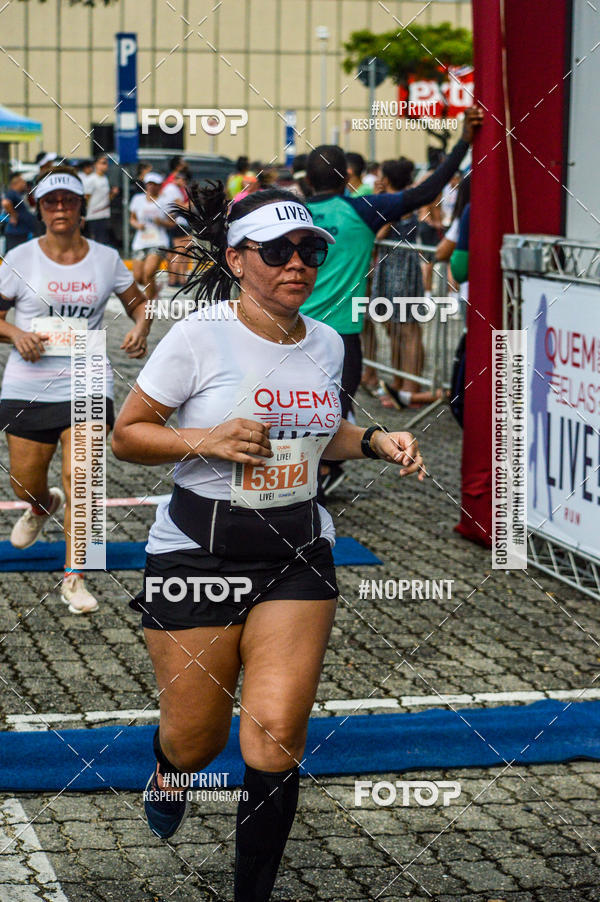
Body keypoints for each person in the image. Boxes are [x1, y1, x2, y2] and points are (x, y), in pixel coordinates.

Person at [111, 184, 425, 901]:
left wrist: (376, 439)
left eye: (311, 249)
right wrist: (204, 438)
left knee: (276, 735)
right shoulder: (198, 335)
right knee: (198, 739)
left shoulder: (323, 340)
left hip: (297, 552)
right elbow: (128, 435)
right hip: (198, 555)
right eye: (277, 250)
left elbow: (321, 433)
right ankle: (170, 767)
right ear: (236, 257)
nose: (298, 264)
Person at [300, 105, 483, 494]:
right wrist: (463, 141)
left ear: (305, 180)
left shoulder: (292, 214)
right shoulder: (362, 210)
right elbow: (426, 192)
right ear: (349, 176)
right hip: (340, 337)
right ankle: (321, 476)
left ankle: (299, 484)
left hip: (290, 331)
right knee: (332, 413)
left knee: (290, 410)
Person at [0, 166, 150, 612]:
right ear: (40, 210)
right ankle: (41, 506)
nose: (60, 208)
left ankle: (75, 579)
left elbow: (140, 303)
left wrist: (141, 327)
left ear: (82, 206)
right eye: (51, 202)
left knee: (82, 480)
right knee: (25, 484)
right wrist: (14, 333)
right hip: (28, 384)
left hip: (87, 378)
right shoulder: (20, 258)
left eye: (68, 200)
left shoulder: (105, 258)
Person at [129, 172, 173, 301]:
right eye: (149, 184)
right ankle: (154, 288)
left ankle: (147, 303)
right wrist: (137, 225)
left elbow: (173, 223)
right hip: (140, 241)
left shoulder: (165, 201)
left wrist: (162, 222)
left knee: (148, 273)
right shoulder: (137, 199)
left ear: (160, 186)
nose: (151, 187)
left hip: (158, 241)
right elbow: (132, 219)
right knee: (138, 277)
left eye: (155, 185)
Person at [159, 167, 191, 288]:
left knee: (174, 253)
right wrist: (195, 202)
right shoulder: (173, 189)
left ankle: (175, 278)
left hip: (171, 222)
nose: (184, 183)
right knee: (182, 251)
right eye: (184, 180)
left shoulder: (168, 188)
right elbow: (182, 206)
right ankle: (178, 278)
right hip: (177, 222)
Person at [84, 154, 118, 244]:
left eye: (106, 163)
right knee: (95, 242)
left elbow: (106, 198)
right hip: (93, 216)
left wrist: (113, 194)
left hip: (104, 214)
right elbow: (86, 198)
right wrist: (83, 215)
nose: (105, 166)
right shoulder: (91, 179)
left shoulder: (105, 179)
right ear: (96, 165)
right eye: (103, 163)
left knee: (103, 242)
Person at [1, 172, 36, 251]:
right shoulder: (12, 193)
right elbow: (5, 203)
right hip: (16, 233)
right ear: (16, 183)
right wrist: (13, 215)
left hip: (22, 233)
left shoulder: (18, 194)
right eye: (22, 182)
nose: (24, 184)